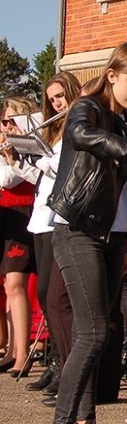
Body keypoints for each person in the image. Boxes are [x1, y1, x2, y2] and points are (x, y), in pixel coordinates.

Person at [46, 41, 127, 424]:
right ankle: (65, 418)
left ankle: (85, 415)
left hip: (110, 234)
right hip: (76, 229)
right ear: (112, 75)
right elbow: (78, 135)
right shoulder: (87, 107)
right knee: (93, 333)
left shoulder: (122, 122)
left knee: (96, 332)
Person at [5, 73, 82, 392]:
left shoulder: (77, 126)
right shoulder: (52, 127)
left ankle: (65, 366)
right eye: (51, 99)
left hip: (60, 218)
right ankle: (55, 362)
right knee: (45, 296)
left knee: (55, 296)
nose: (57, 103)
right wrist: (17, 157)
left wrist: (37, 152)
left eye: (61, 96)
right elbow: (38, 175)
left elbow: (65, 167)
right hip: (41, 216)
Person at [0, 96, 40, 376]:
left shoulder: (30, 145)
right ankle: (13, 348)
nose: (5, 126)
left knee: (16, 284)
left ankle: (23, 354)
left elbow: (8, 179)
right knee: (8, 286)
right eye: (3, 122)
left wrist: (9, 157)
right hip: (6, 217)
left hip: (23, 213)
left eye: (10, 121)